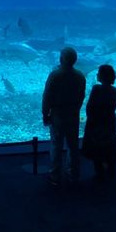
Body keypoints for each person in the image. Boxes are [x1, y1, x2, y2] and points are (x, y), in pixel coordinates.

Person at [42, 46, 86, 186]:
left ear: (61, 59)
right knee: (73, 145)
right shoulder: (80, 76)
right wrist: (76, 110)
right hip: (73, 115)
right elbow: (81, 96)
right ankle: (74, 174)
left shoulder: (55, 75)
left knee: (56, 144)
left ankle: (55, 175)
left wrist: (45, 113)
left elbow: (47, 96)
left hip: (58, 115)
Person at [82, 64, 116, 180]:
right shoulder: (115, 90)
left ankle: (99, 172)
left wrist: (90, 119)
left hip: (96, 121)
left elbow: (90, 106)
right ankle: (110, 168)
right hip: (109, 121)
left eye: (98, 73)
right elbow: (113, 107)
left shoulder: (96, 88)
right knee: (108, 144)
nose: (97, 74)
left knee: (96, 145)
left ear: (102, 76)